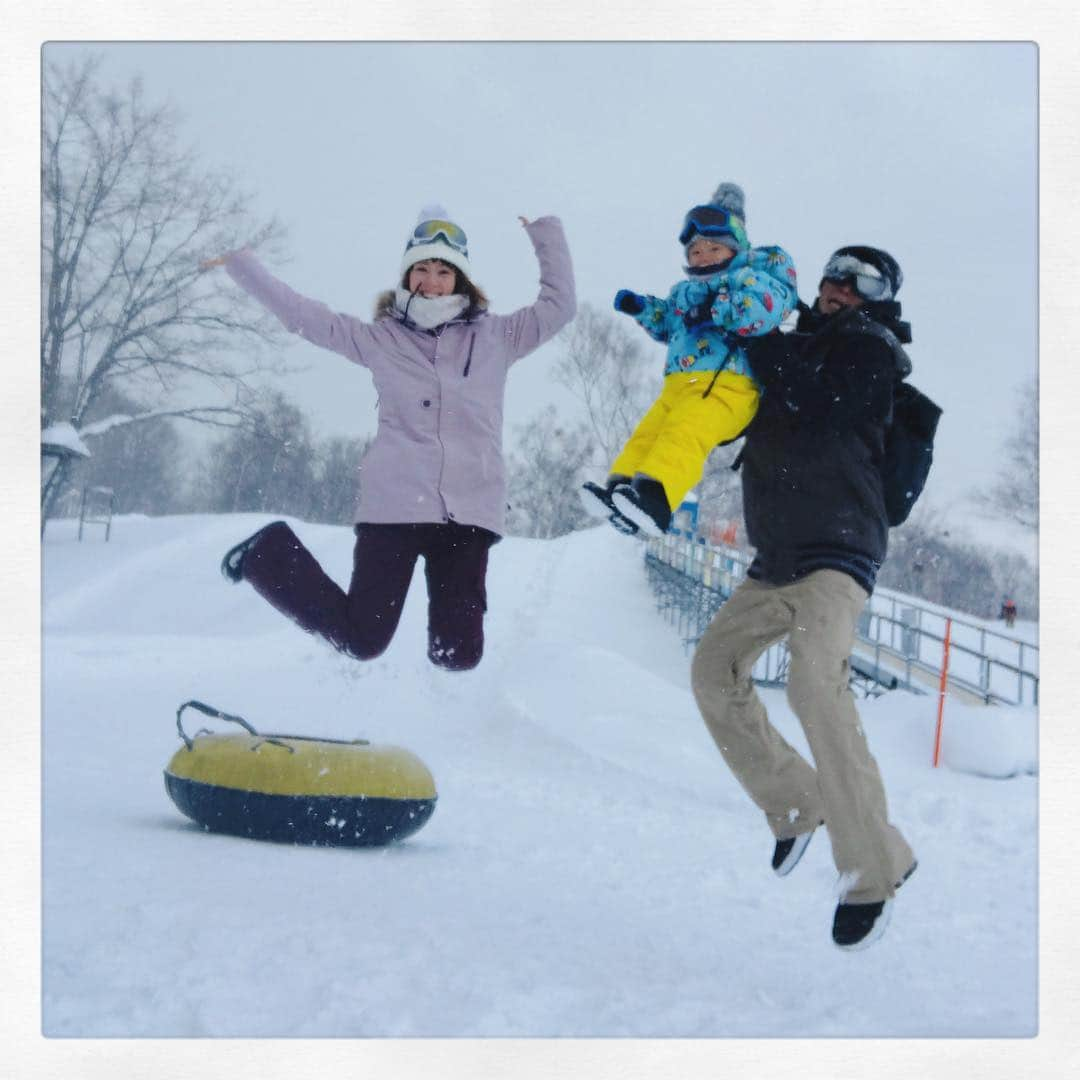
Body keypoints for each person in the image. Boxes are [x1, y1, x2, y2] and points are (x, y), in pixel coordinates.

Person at [200, 205, 575, 671]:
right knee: (363, 639)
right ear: (407, 275)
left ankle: (432, 718)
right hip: (395, 509)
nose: (431, 281)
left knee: (458, 654)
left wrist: (545, 231)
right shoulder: (381, 339)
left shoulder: (497, 337)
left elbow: (559, 307)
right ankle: (268, 555)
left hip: (469, 514)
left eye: (443, 271)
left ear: (460, 280)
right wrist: (241, 265)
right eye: (421, 269)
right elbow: (304, 317)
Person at [689, 244, 918, 951]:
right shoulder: (787, 344)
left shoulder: (872, 353)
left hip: (838, 554)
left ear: (880, 298)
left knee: (816, 690)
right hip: (776, 557)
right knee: (712, 672)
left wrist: (763, 343)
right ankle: (797, 802)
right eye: (831, 276)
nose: (839, 288)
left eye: (860, 281)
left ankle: (874, 871)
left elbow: (821, 405)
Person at [579, 182, 797, 537]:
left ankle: (656, 497)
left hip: (727, 387)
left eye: (714, 248)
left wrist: (719, 308)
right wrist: (644, 309)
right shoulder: (684, 292)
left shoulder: (750, 276)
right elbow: (669, 324)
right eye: (695, 251)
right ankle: (621, 490)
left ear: (735, 249)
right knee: (649, 435)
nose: (704, 257)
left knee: (685, 435)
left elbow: (764, 308)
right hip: (680, 385)